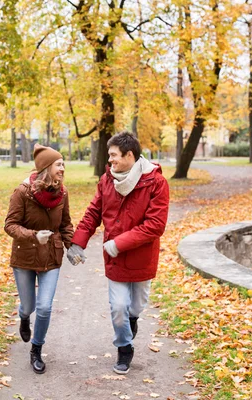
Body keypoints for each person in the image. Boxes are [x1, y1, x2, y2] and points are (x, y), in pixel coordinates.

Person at [67, 132, 169, 375]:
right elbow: (93, 213)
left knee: (136, 305)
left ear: (129, 155)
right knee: (118, 307)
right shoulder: (106, 181)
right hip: (115, 259)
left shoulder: (155, 182)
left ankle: (132, 319)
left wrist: (119, 243)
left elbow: (156, 225)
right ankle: (124, 348)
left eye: (114, 155)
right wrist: (77, 243)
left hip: (142, 257)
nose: (110, 160)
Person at [4, 143, 74, 374]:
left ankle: (36, 349)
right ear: (46, 168)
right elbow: (10, 225)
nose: (63, 168)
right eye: (58, 164)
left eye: (63, 164)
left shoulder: (62, 193)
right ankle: (24, 317)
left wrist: (72, 246)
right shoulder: (22, 192)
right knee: (30, 306)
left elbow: (65, 224)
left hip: (51, 256)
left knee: (44, 307)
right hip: (25, 255)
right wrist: (34, 236)